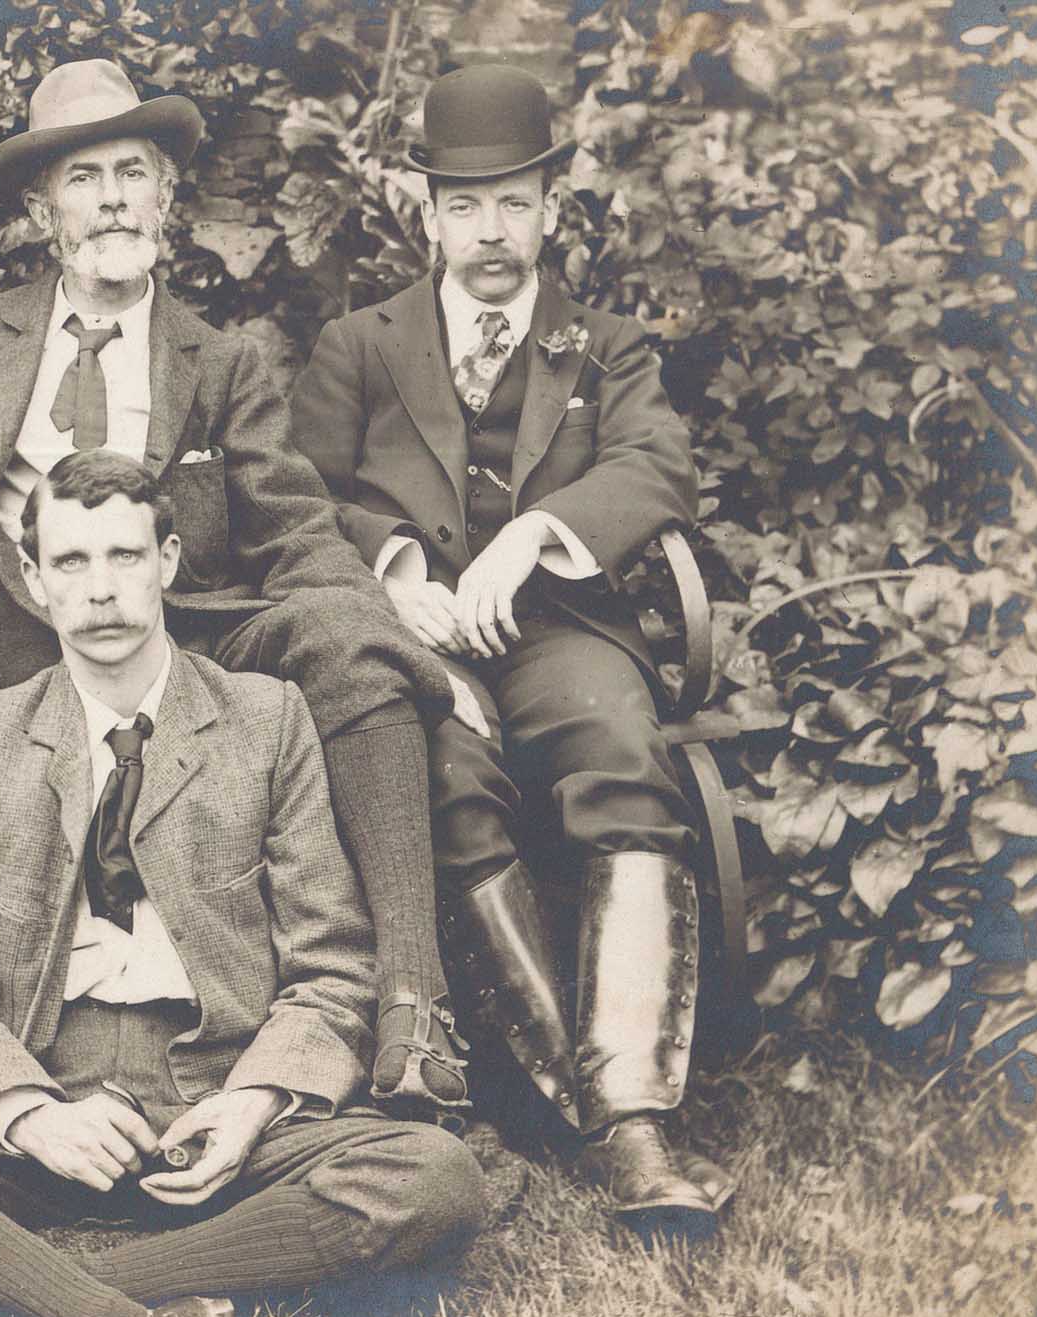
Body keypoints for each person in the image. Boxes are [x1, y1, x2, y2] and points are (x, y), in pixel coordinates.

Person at [0, 56, 485, 1119]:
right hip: (46, 669)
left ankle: (412, 1008)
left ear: (166, 198)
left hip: (199, 652)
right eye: (84, 179)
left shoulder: (219, 361)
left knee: (344, 639)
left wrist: (398, 648)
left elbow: (298, 531)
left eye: (134, 173)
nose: (114, 199)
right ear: (43, 212)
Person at [0, 452, 486, 1317]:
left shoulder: (266, 721)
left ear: (167, 561)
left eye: (125, 556)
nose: (101, 589)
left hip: (211, 1111)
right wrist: (26, 1109)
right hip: (31, 1116)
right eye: (71, 561)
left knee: (435, 1177)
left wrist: (253, 1102)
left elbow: (332, 963)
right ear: (33, 579)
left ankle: (22, 1290)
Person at [290, 64, 734, 1228]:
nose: (490, 231)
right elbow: (296, 499)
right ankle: (585, 1103)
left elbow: (656, 467)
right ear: (428, 214)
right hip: (412, 641)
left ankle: (629, 1112)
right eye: (465, 206)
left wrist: (534, 534)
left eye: (513, 203)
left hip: (557, 628)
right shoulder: (357, 347)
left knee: (616, 741)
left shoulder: (605, 346)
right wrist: (397, 578)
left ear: (549, 207)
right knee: (441, 774)